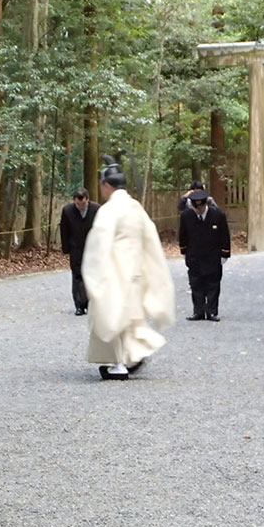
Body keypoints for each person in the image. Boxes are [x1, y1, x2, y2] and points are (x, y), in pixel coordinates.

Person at [81, 161, 175, 381]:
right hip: (134, 271)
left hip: (114, 271)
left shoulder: (110, 209)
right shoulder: (135, 207)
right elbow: (150, 239)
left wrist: (94, 275)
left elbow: (99, 243)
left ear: (106, 185)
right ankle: (131, 357)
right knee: (131, 319)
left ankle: (120, 363)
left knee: (112, 318)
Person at [179, 189, 231, 321]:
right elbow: (182, 236)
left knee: (213, 285)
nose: (199, 211)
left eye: (201, 208)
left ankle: (212, 311)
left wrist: (224, 254)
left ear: (205, 204)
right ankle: (198, 311)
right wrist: (184, 252)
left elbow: (225, 236)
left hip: (212, 257)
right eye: (197, 209)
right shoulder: (186, 216)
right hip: (194, 256)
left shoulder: (218, 215)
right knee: (196, 284)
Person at [60, 188, 99, 315]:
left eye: (83, 204)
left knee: (91, 276)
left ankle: (90, 302)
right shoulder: (67, 211)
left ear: (88, 200)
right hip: (75, 247)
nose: (80, 206)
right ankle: (79, 306)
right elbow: (64, 231)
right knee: (77, 276)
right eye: (77, 204)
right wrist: (66, 248)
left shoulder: (97, 210)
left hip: (92, 247)